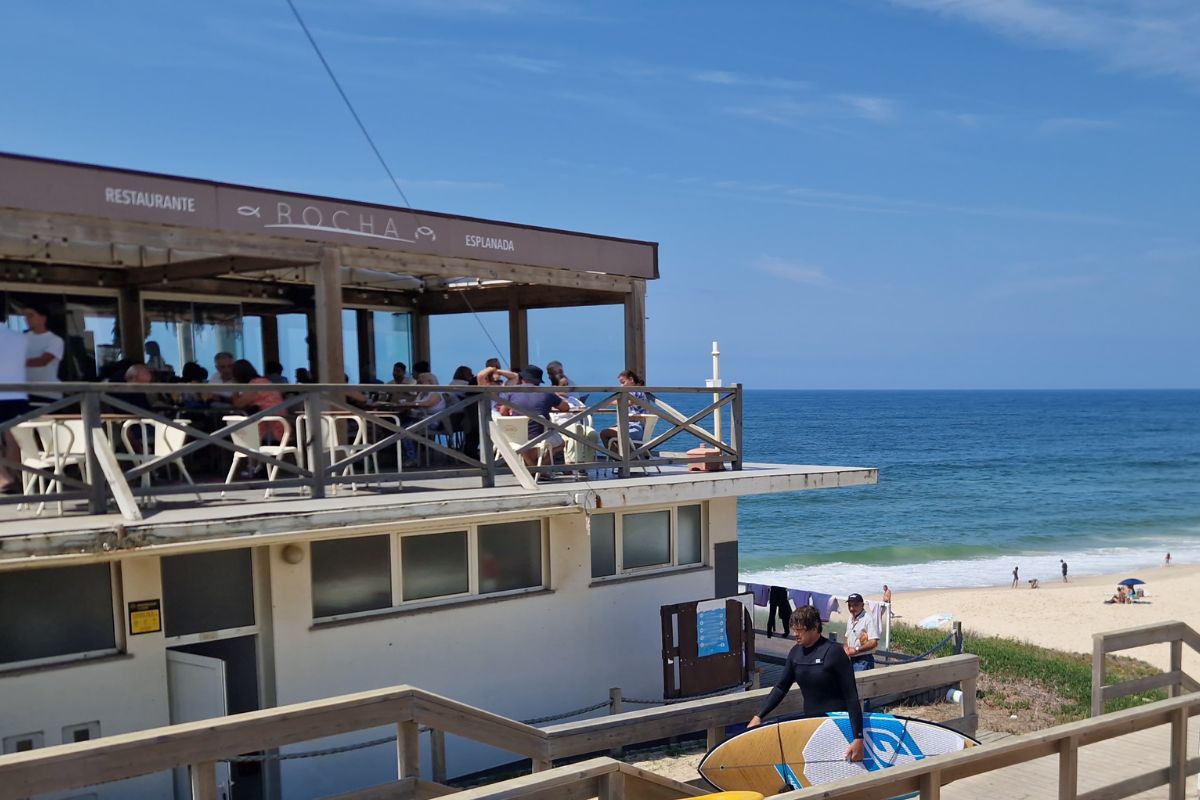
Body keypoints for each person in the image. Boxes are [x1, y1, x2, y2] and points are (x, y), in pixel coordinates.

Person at [747, 606, 865, 764]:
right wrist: (759, 716)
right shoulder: (795, 653)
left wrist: (858, 737)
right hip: (811, 725)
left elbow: (851, 696)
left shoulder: (834, 653)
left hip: (837, 725)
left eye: (800, 630)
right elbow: (781, 687)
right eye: (793, 629)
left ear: (815, 627)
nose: (795, 634)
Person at [496, 365, 570, 473]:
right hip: (540, 436)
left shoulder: (512, 392)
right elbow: (566, 407)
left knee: (522, 445)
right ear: (539, 381)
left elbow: (503, 411)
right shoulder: (547, 393)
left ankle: (531, 468)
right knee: (561, 443)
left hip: (516, 436)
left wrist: (513, 421)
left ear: (523, 378)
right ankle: (538, 468)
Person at [0, 318, 29, 493]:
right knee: (15, 439)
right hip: (18, 395)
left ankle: (4, 479)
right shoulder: (19, 337)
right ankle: (16, 476)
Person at [600, 369, 650, 453]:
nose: (621, 386)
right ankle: (619, 459)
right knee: (605, 434)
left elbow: (628, 402)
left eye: (623, 382)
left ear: (631, 379)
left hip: (636, 428)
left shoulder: (636, 391)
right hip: (630, 426)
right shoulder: (633, 392)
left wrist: (609, 402)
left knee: (604, 433)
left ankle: (618, 460)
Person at [23, 303, 64, 403]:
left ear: (43, 318)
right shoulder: (21, 338)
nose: (26, 319)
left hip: (48, 394)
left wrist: (14, 362)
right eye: (25, 316)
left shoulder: (55, 340)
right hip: (25, 393)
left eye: (31, 315)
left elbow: (43, 361)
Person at [844, 593, 879, 671]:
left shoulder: (868, 619)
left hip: (864, 661)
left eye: (855, 605)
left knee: (860, 683)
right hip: (851, 660)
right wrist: (846, 648)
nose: (851, 608)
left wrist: (856, 650)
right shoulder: (850, 618)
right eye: (849, 605)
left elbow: (873, 642)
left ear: (862, 605)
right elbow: (847, 637)